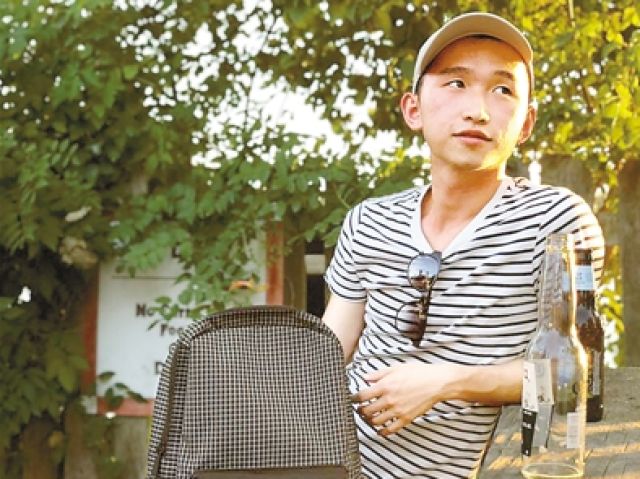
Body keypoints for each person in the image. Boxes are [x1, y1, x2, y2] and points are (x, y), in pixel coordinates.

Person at [322, 11, 605, 479]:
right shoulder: (368, 220)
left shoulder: (556, 221)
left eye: (503, 90)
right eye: (456, 83)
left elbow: (573, 370)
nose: (478, 110)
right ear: (413, 109)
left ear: (526, 123)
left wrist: (446, 381)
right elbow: (328, 351)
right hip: (341, 463)